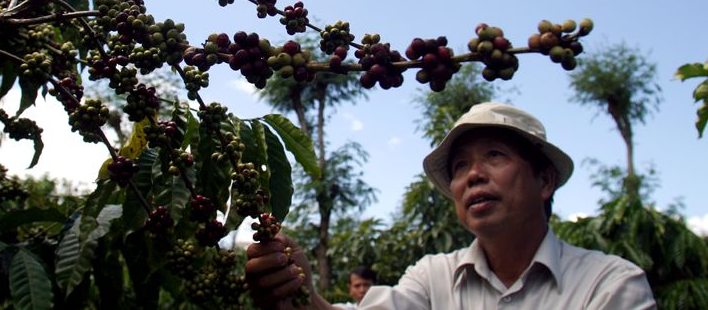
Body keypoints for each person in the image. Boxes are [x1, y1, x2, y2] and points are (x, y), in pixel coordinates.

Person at [245, 102, 656, 309]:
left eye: (495, 155)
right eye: (460, 166)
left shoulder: (609, 285)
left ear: (544, 180)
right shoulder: (433, 279)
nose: (473, 175)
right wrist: (300, 295)